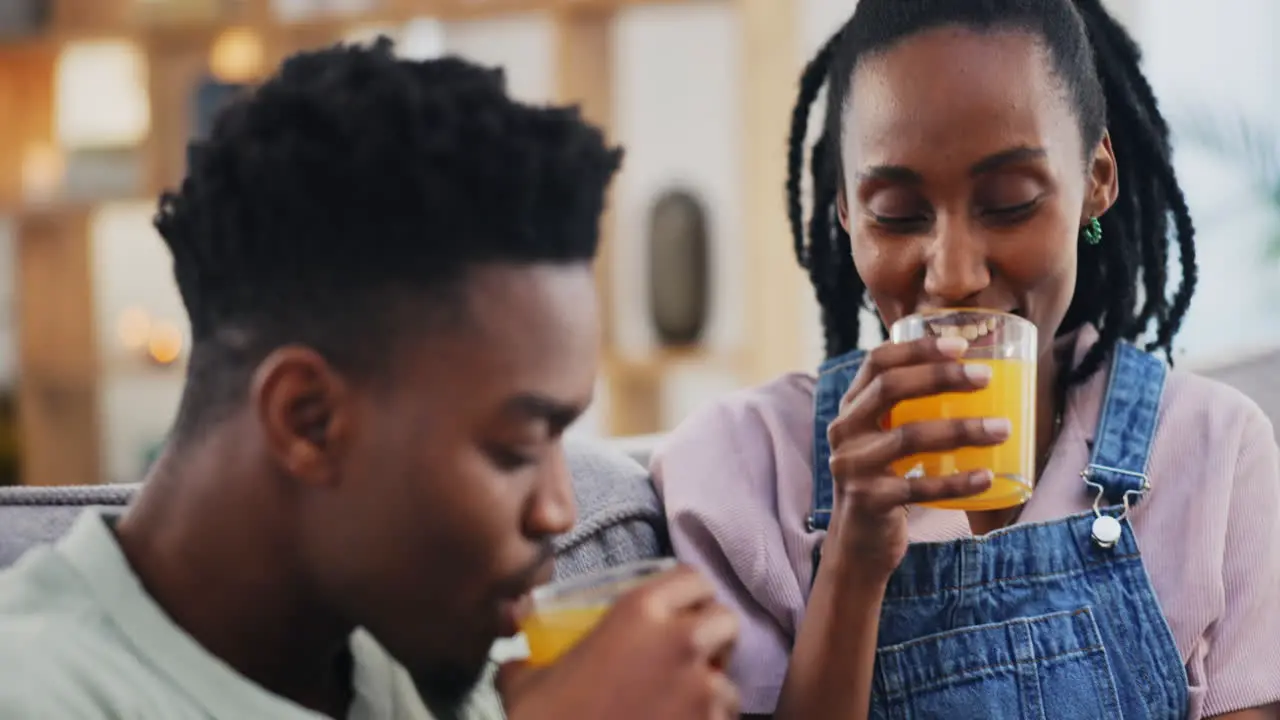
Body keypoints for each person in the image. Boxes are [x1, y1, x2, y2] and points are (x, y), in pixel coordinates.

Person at [0, 40, 741, 719]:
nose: (560, 510)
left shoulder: (417, 649)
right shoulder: (38, 690)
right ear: (308, 419)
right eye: (517, 447)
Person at [653, 1, 1280, 718]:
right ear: (847, 214)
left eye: (1009, 202)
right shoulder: (738, 472)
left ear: (1096, 179)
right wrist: (852, 565)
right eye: (896, 211)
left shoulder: (1213, 453)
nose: (953, 275)